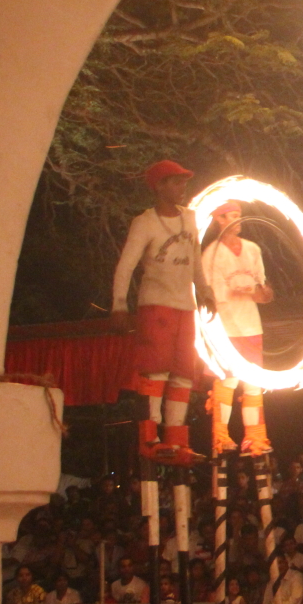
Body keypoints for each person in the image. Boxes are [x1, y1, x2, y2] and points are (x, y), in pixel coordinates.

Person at [110, 159, 215, 464]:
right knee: (155, 370)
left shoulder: (191, 219)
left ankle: (176, 440)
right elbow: (126, 266)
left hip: (185, 306)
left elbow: (195, 262)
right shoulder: (145, 222)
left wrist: (205, 291)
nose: (183, 187)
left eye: (184, 181)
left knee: (184, 373)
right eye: (176, 181)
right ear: (159, 186)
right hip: (155, 304)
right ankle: (149, 438)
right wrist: (119, 304)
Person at [201, 199, 274, 456]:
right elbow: (213, 296)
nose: (237, 220)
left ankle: (255, 438)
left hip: (251, 326)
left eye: (239, 215)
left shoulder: (252, 250)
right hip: (225, 329)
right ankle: (221, 437)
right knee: (227, 382)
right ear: (219, 219)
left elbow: (261, 290)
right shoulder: (211, 255)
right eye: (231, 215)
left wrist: (264, 293)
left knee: (253, 383)